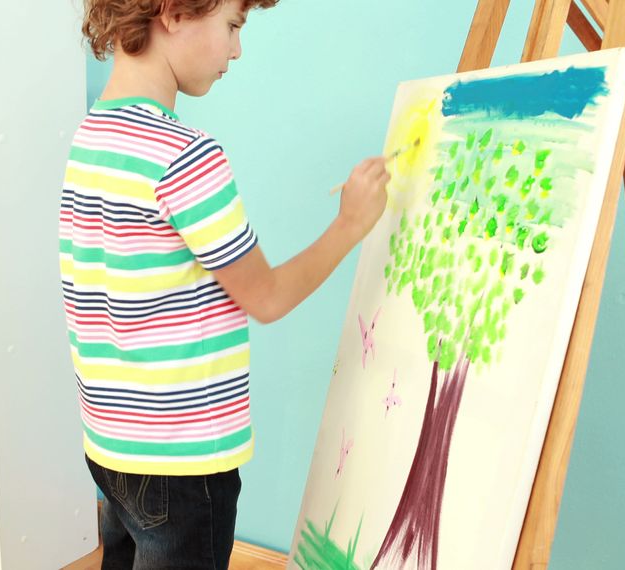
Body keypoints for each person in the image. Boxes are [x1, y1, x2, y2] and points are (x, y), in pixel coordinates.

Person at [60, 0, 390, 567]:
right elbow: (266, 296)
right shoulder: (185, 156)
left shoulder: (92, 136)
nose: (237, 49)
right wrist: (351, 224)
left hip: (111, 444)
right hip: (181, 463)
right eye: (233, 26)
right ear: (172, 12)